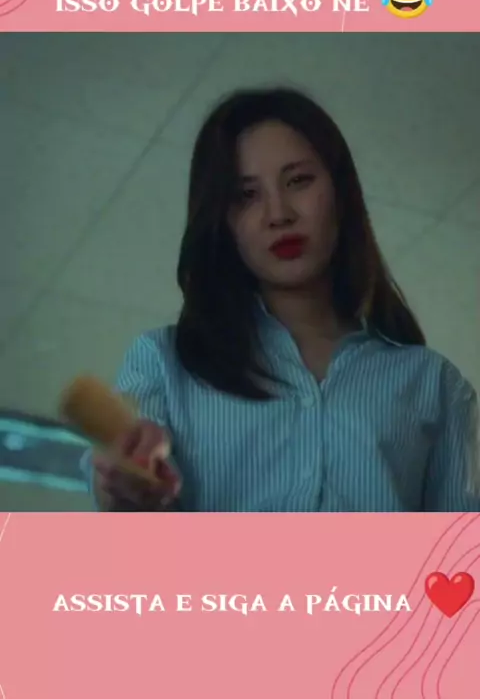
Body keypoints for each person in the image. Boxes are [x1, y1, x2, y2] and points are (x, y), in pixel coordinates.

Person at [85, 87, 479, 512]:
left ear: (341, 194)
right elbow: (125, 470)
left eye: (298, 181)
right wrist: (128, 479)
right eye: (246, 195)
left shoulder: (434, 385)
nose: (279, 214)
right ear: (222, 222)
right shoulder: (164, 362)